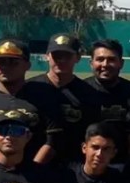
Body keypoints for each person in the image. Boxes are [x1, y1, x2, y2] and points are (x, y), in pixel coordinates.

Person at [0, 38, 61, 164]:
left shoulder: (44, 98)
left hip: (34, 178)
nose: (5, 67)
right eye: (1, 62)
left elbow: (52, 141)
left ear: (27, 65)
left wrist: (34, 169)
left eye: (13, 62)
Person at [29, 33, 101, 164]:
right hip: (31, 163)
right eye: (57, 56)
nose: (61, 60)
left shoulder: (89, 93)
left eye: (67, 56)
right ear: (47, 56)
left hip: (73, 166)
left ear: (78, 58)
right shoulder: (30, 88)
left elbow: (91, 135)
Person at [86, 39, 130, 160]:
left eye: (111, 60)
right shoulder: (79, 91)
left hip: (125, 164)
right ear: (91, 63)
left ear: (121, 63)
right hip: (88, 165)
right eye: (100, 59)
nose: (105, 64)